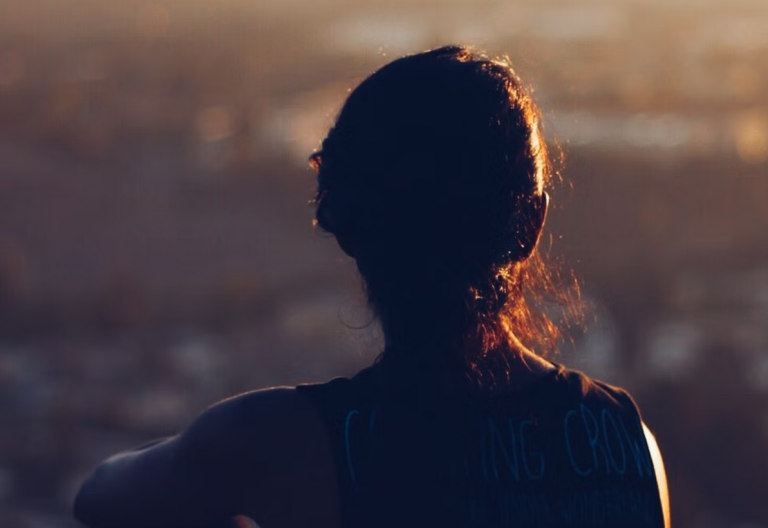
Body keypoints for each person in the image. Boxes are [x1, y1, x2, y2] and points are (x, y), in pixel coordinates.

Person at [73, 45, 671, 528]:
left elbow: (98, 498)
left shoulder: (279, 445)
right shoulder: (626, 446)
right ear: (529, 227)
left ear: (351, 231)